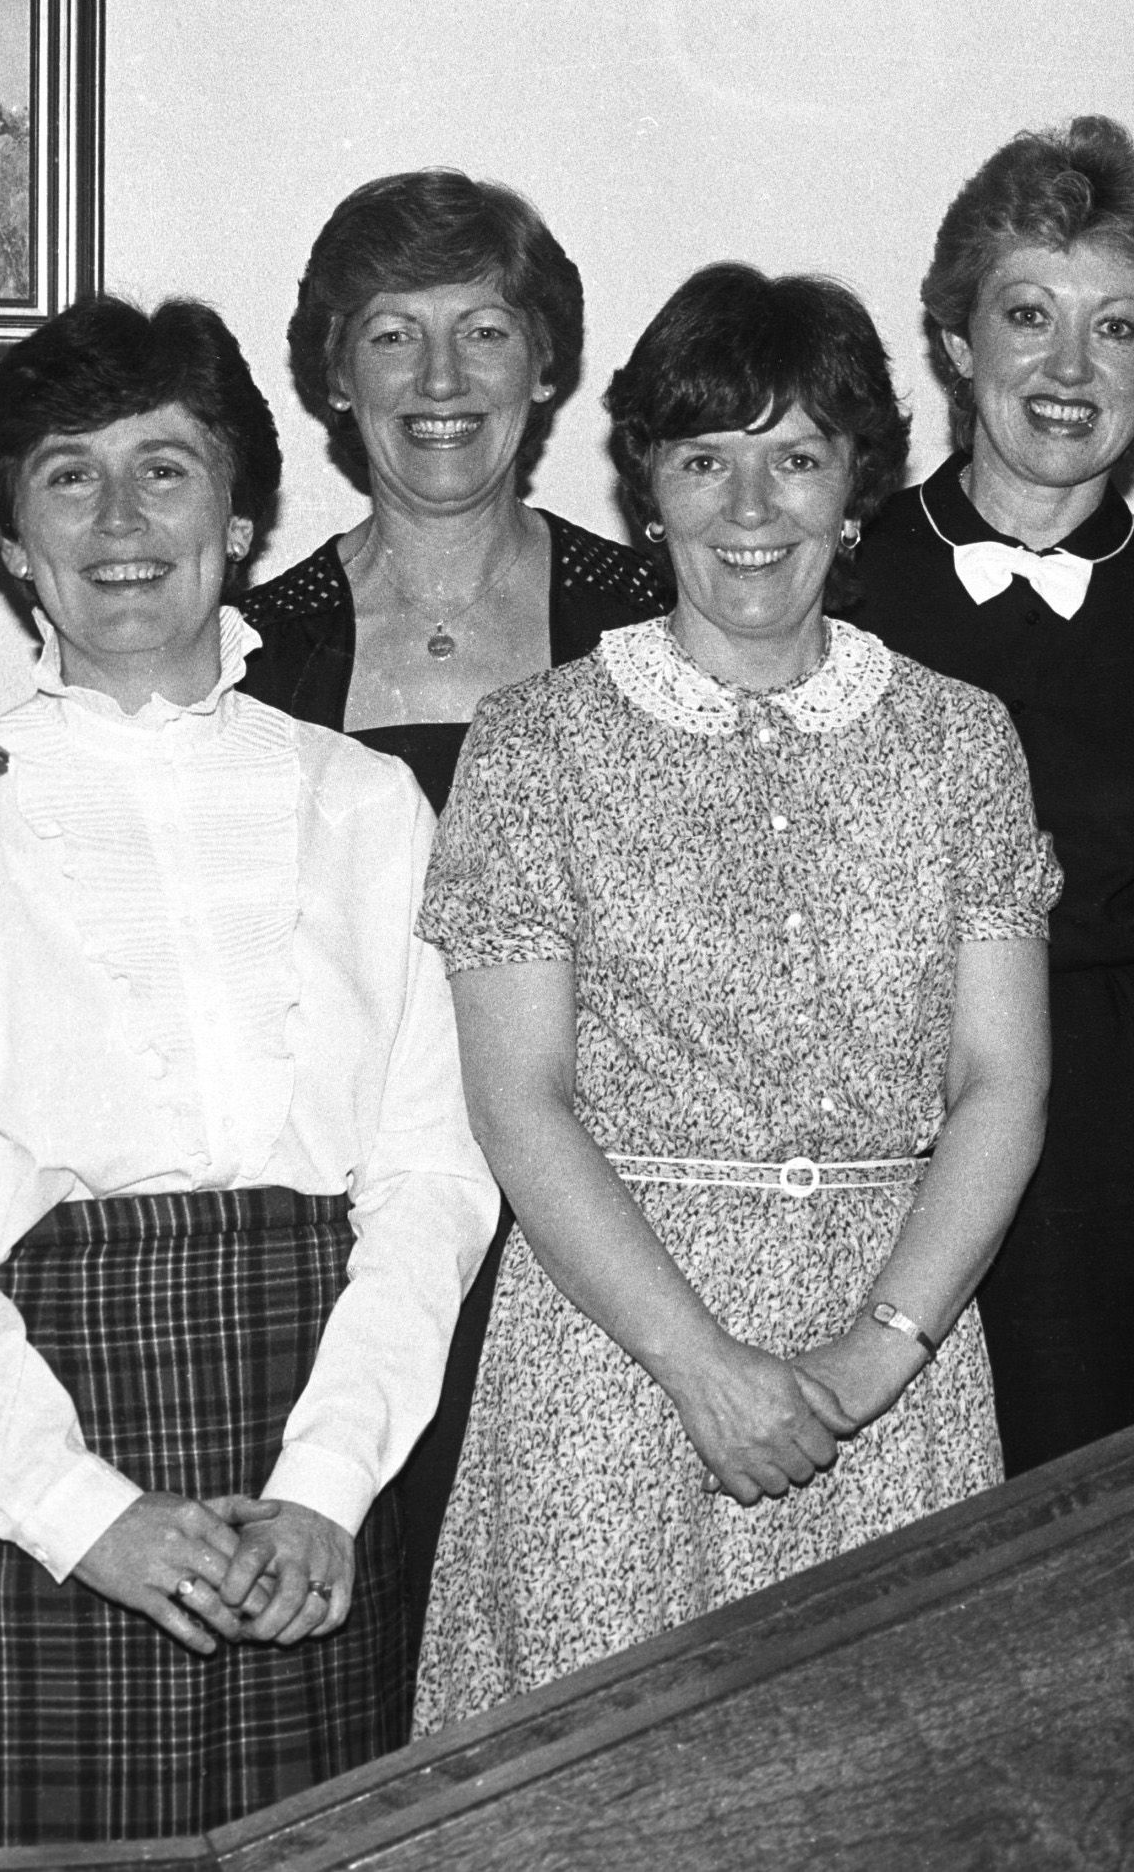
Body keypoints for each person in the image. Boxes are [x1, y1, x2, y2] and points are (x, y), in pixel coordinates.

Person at [0, 169, 669, 1661]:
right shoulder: (268, 656)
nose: (437, 379)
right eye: (390, 336)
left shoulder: (645, 630)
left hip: (497, 1294)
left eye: (481, 328)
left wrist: (324, 1477)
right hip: (82, 1383)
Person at [0, 295, 496, 1850]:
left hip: (308, 1431)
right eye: (67, 475)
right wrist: (86, 1514)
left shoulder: (365, 800)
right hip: (21, 1467)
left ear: (241, 517)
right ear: (11, 543)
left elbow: (431, 1179)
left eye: (167, 469)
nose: (121, 520)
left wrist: (330, 1478)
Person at [411, 263, 1058, 1729]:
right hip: (614, 1359)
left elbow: (1000, 1085)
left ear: (855, 488)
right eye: (705, 460)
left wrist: (875, 1352)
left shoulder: (962, 743)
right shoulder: (534, 746)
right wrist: (701, 1366)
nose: (750, 508)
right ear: (649, 490)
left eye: (796, 457)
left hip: (889, 1367)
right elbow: (521, 1100)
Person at [849, 116, 1134, 1474]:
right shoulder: (843, 587)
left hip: (1108, 1151)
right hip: (871, 1126)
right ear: (956, 338)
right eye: (1026, 314)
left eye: (1114, 327)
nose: (1062, 366)